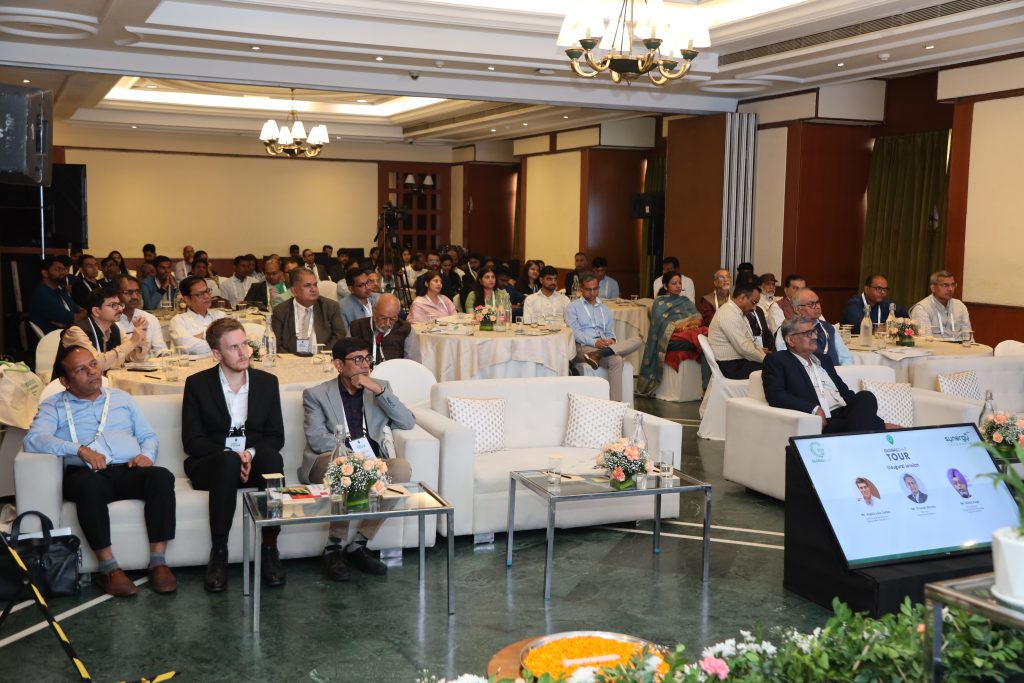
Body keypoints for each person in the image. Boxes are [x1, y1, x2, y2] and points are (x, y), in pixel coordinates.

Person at [24, 345, 177, 596]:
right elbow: (34, 439)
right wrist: (79, 450)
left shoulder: (121, 398)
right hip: (86, 474)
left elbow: (148, 435)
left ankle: (158, 562)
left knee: (161, 477)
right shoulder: (54, 406)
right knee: (88, 485)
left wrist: (146, 455)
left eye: (93, 365)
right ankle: (109, 568)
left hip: (127, 469)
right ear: (65, 380)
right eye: (81, 370)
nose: (92, 372)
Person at [182, 318, 286, 592]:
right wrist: (232, 453)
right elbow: (192, 441)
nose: (243, 353)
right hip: (211, 464)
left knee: (273, 460)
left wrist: (249, 453)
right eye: (233, 348)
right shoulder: (197, 384)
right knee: (228, 460)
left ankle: (270, 549)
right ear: (217, 354)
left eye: (245, 345)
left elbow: (277, 437)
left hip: (251, 461)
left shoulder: (266, 382)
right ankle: (219, 552)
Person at [300, 338, 416, 579]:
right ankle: (333, 547)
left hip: (373, 460)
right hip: (330, 459)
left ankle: (359, 545)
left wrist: (378, 391)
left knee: (402, 469)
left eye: (368, 359)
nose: (365, 366)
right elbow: (317, 438)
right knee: (350, 469)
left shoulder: (380, 387)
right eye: (358, 360)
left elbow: (407, 422)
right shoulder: (317, 394)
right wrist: (353, 457)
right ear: (339, 365)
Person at [763, 316, 885, 434]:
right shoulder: (778, 360)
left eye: (814, 331)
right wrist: (814, 409)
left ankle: (868, 427)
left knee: (866, 396)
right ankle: (873, 428)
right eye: (808, 333)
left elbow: (845, 392)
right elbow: (775, 395)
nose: (815, 336)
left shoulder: (824, 360)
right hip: (823, 419)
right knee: (860, 425)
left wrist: (873, 418)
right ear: (790, 340)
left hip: (845, 412)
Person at [566, 273, 642, 402]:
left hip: (603, 347)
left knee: (638, 340)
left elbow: (609, 332)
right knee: (617, 359)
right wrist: (595, 343)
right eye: (588, 289)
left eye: (595, 289)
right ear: (581, 289)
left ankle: (601, 354)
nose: (593, 293)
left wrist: (611, 340)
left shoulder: (605, 309)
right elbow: (576, 333)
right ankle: (616, 406)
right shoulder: (573, 307)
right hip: (583, 348)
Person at [637, 271, 703, 395]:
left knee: (702, 335)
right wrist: (681, 327)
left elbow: (697, 318)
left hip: (687, 334)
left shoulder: (685, 301)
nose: (678, 286)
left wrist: (689, 325)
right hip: (669, 340)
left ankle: (705, 387)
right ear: (666, 286)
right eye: (674, 283)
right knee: (700, 341)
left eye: (679, 283)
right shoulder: (659, 303)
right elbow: (661, 324)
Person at [59, 287, 150, 372]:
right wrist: (132, 342)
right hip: (73, 387)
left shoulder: (114, 329)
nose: (120, 309)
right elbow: (95, 365)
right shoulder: (76, 332)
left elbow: (135, 358)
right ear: (96, 311)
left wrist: (141, 337)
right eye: (114, 305)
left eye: (119, 304)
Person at [272, 268, 346, 354]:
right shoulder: (281, 310)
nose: (313, 289)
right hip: (291, 359)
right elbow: (276, 343)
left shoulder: (330, 306)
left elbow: (339, 335)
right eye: (307, 285)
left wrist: (321, 354)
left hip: (322, 358)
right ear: (294, 291)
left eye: (315, 285)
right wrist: (293, 359)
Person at [707, 280, 768, 380]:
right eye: (753, 302)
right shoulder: (728, 314)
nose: (754, 308)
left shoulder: (737, 312)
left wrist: (761, 353)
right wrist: (766, 359)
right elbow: (744, 348)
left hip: (738, 361)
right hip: (732, 366)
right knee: (775, 368)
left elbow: (747, 342)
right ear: (742, 298)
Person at [774, 289, 852, 365]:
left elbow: (846, 358)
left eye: (818, 302)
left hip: (834, 373)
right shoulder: (787, 329)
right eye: (811, 304)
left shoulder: (829, 327)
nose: (817, 307)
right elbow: (784, 360)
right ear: (798, 309)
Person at [349, 294, 421, 363]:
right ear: (374, 311)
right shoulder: (356, 327)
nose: (387, 323)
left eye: (393, 319)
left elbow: (413, 363)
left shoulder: (406, 329)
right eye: (383, 318)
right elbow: (347, 358)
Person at [169, 275, 226, 355]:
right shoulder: (178, 321)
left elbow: (233, 340)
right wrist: (210, 335)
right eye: (200, 294)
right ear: (187, 299)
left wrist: (200, 336)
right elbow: (190, 348)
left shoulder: (220, 316)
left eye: (207, 291)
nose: (207, 296)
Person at [910, 270, 972, 339]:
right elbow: (925, 340)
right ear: (933, 288)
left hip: (960, 348)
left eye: (953, 285)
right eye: (945, 285)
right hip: (936, 349)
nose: (950, 289)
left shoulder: (960, 306)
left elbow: (968, 336)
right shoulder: (921, 309)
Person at [29, 256, 83, 334]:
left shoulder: (60, 290)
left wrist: (78, 316)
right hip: (57, 338)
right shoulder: (42, 295)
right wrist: (75, 319)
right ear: (45, 273)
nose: (64, 272)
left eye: (64, 269)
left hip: (70, 332)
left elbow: (81, 310)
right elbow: (73, 318)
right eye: (58, 269)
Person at [115, 275, 168, 354]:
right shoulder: (110, 321)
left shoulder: (149, 318)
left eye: (137, 292)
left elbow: (161, 350)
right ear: (116, 295)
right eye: (128, 292)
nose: (135, 296)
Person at [840, 274, 909, 327]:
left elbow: (907, 319)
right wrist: (885, 327)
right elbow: (859, 327)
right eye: (878, 288)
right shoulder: (853, 304)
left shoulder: (887, 303)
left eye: (885, 289)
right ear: (866, 289)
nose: (883, 292)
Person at [338, 268, 380, 332]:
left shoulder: (378, 298)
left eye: (368, 282)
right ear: (351, 289)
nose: (368, 287)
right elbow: (346, 335)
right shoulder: (342, 307)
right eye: (362, 285)